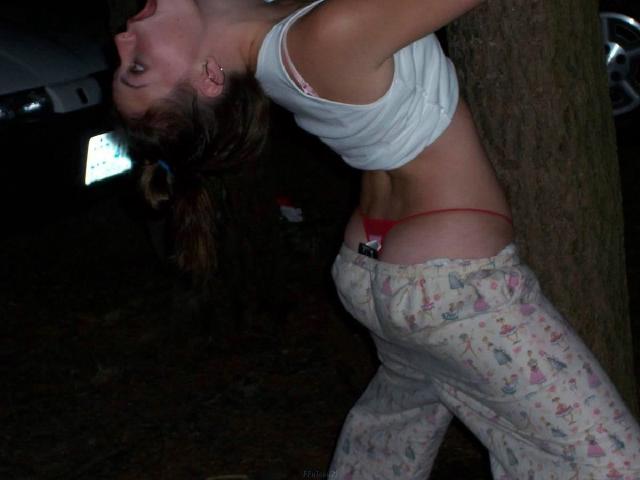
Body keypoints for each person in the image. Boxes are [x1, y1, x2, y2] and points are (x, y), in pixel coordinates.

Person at [112, 0, 640, 477]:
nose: (120, 40)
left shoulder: (284, 39)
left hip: (376, 273)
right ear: (210, 76)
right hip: (447, 286)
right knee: (610, 461)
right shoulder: (325, 39)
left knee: (387, 445)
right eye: (137, 67)